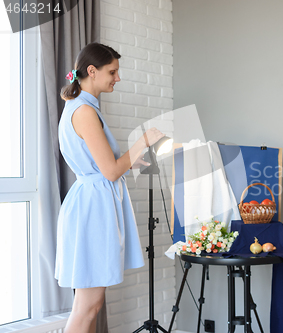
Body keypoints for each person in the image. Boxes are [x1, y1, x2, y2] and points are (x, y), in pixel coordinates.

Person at [55, 42, 165, 333]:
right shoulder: (84, 112)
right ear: (92, 71)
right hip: (92, 208)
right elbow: (110, 170)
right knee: (87, 306)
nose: (118, 78)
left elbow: (105, 165)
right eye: (112, 72)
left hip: (92, 203)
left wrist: (135, 161)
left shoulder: (83, 107)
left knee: (91, 304)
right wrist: (142, 140)